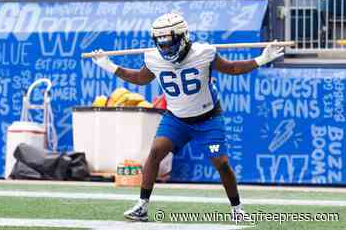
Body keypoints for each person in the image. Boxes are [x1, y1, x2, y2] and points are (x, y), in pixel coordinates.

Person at [92, 13, 284, 222]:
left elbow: (232, 68)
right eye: (161, 44)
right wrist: (109, 66)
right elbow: (139, 78)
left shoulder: (204, 53)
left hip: (207, 119)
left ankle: (237, 209)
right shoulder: (153, 58)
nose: (166, 49)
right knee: (155, 152)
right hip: (176, 119)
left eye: (170, 44)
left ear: (183, 37)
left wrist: (262, 59)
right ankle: (142, 206)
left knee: (221, 162)